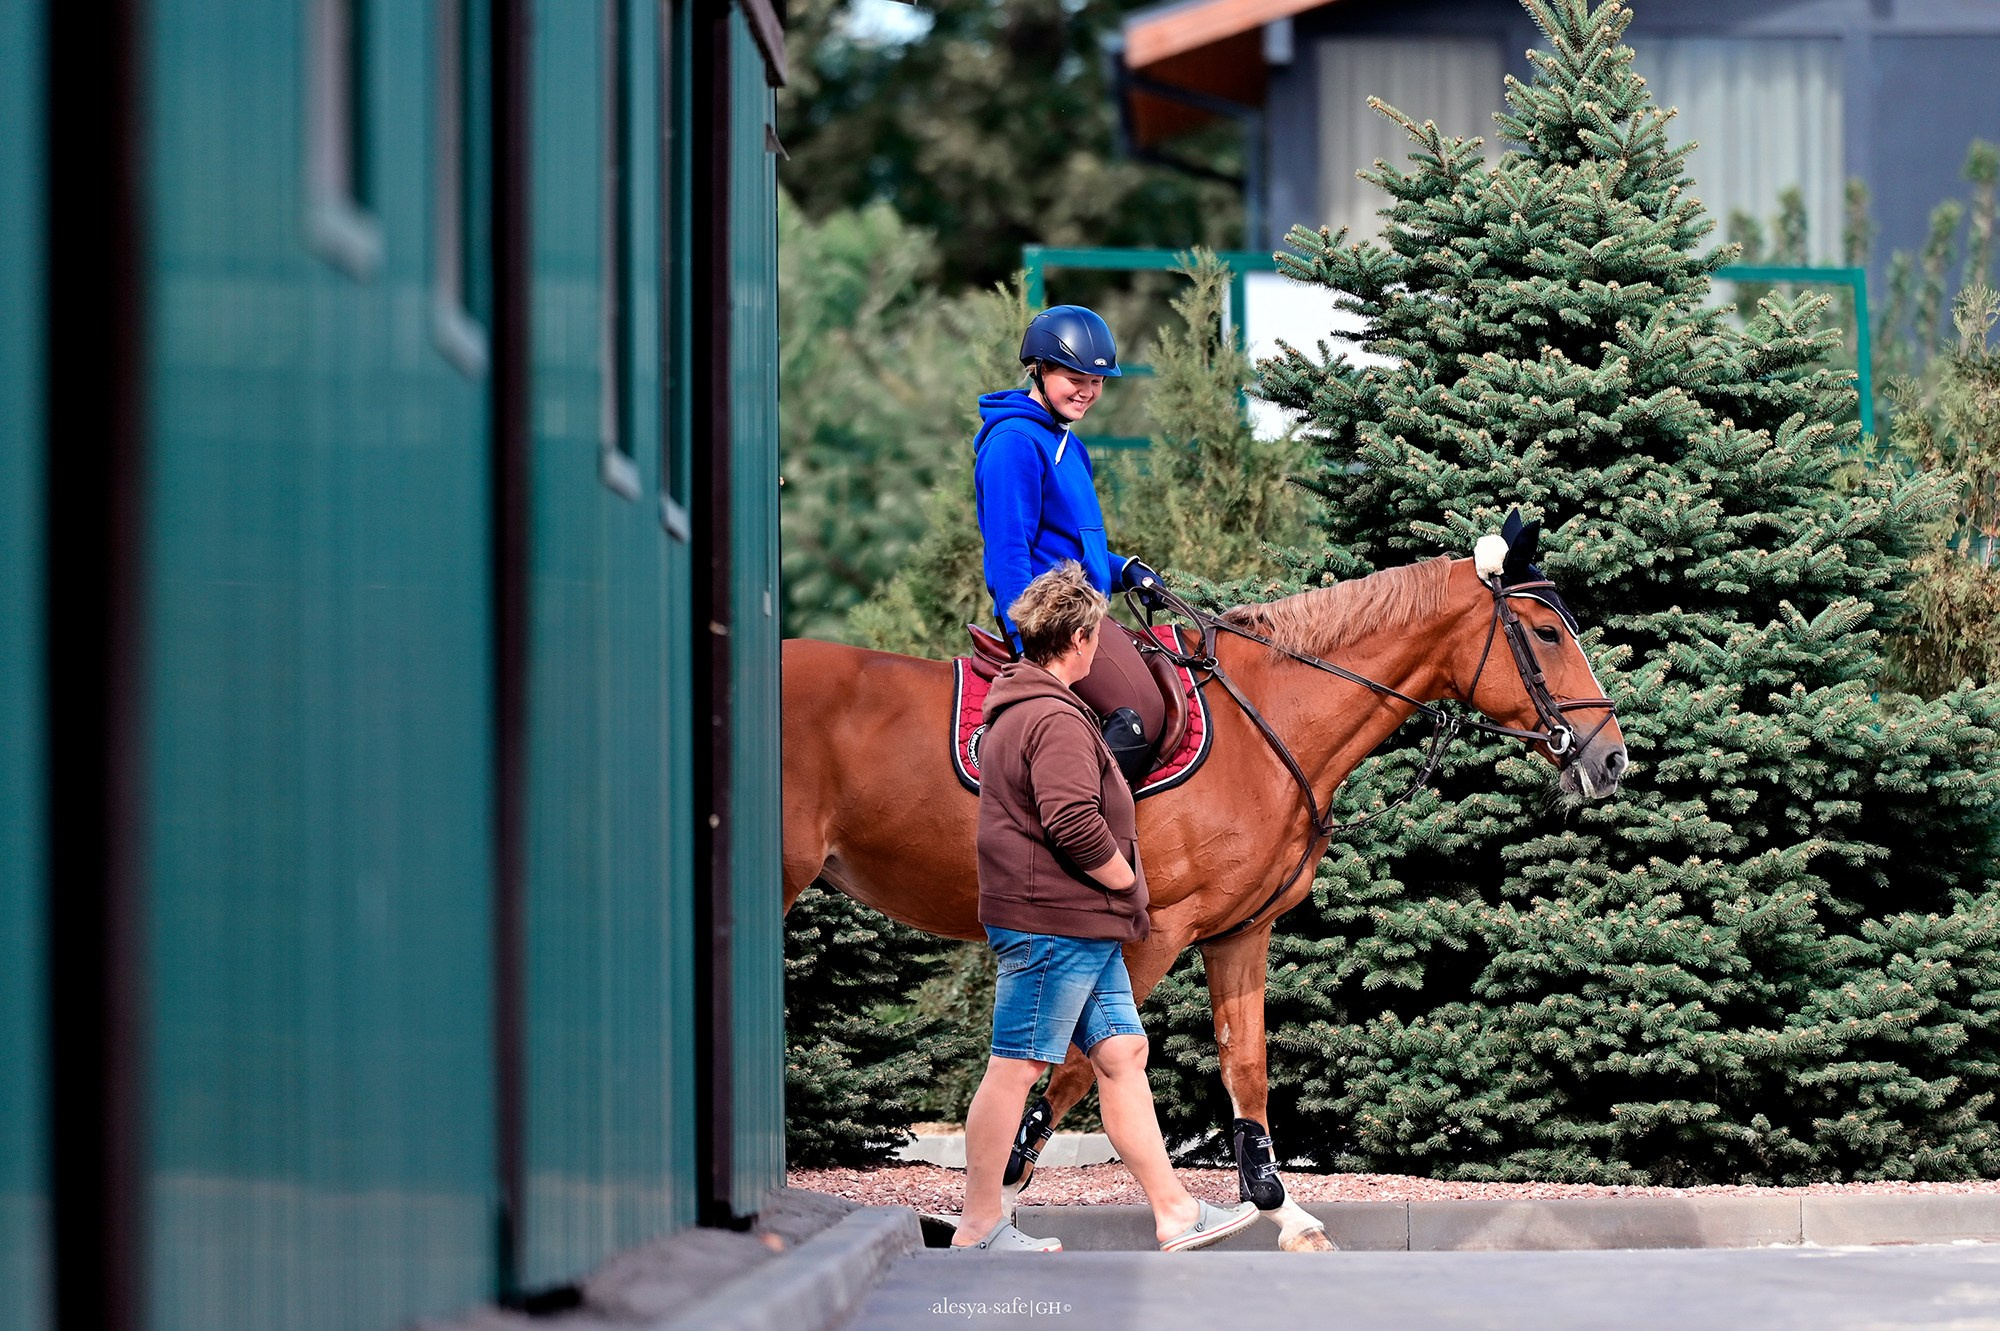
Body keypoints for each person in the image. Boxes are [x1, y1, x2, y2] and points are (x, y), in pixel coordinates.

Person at [950, 563, 1258, 1254]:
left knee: (1121, 1050)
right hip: (1053, 921)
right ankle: (977, 1225)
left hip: (1074, 924)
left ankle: (1174, 1211)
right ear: (1083, 638)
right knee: (1018, 1065)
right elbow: (1073, 822)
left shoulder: (1027, 705)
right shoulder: (1053, 717)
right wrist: (1127, 885)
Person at [973, 304, 1166, 783]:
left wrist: (1123, 570)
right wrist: (1030, 643)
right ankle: (1069, 832)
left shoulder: (1066, 442)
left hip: (1084, 614)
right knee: (1139, 713)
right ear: (1038, 371)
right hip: (1049, 628)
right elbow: (1009, 553)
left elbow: (1070, 543)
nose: (1088, 391)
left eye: (1097, 381)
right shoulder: (1014, 442)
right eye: (1075, 376)